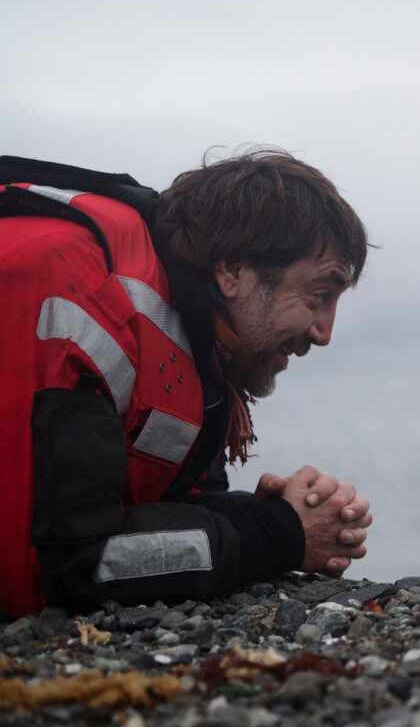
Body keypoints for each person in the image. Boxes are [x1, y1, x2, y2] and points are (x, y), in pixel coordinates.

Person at [0, 150, 374, 618]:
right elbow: (66, 567)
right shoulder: (73, 290)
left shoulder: (195, 341)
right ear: (232, 270)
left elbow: (164, 505)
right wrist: (277, 534)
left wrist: (261, 515)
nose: (324, 332)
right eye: (319, 295)